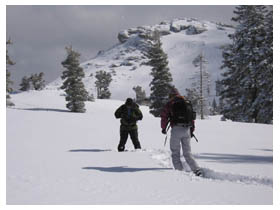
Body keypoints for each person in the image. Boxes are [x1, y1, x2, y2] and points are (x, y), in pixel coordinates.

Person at [160, 88, 203, 176]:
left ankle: (179, 173)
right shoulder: (186, 102)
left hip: (176, 129)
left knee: (175, 152)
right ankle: (196, 169)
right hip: (187, 129)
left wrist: (163, 128)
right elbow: (192, 118)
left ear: (171, 95)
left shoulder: (170, 103)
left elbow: (164, 116)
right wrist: (191, 130)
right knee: (187, 153)